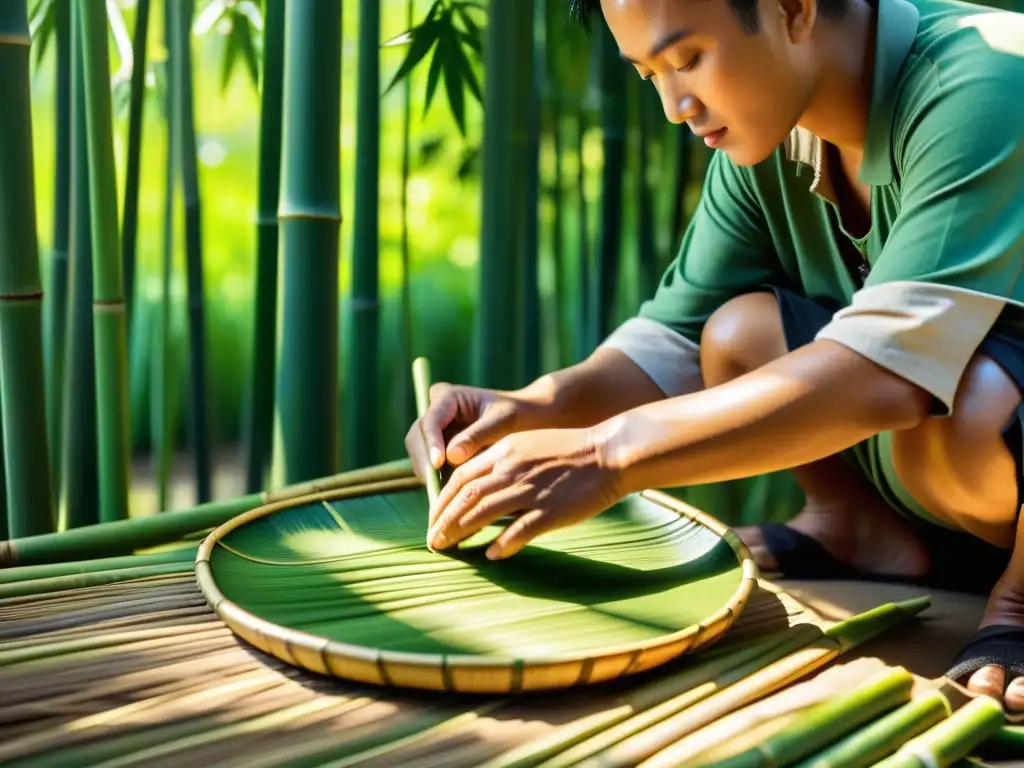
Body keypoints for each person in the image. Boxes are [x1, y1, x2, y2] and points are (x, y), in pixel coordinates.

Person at [405, 0, 1024, 711]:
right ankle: (857, 528)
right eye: (649, 75)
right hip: (956, 484)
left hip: (987, 437)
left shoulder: (990, 80)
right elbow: (674, 336)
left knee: (970, 400)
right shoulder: (770, 130)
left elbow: (887, 376)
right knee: (737, 334)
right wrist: (533, 407)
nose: (675, 106)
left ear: (794, 8)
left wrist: (607, 457)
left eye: (689, 58)